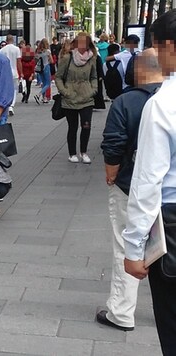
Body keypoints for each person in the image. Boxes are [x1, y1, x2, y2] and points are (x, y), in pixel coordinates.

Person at [122, 10, 176, 354]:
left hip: (171, 226)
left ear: (167, 46)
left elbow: (147, 183)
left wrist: (132, 249)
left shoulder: (163, 104)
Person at [98, 48, 163, 332]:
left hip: (129, 184)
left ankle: (122, 312)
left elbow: (113, 142)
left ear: (137, 71)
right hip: (168, 191)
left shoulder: (126, 102)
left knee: (126, 245)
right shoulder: (169, 101)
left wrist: (111, 171)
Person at [55, 32, 98, 164]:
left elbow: (94, 76)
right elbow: (58, 77)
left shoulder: (92, 59)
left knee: (86, 126)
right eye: (80, 42)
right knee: (72, 127)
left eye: (85, 43)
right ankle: (72, 153)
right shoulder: (68, 58)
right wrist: (65, 91)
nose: (82, 46)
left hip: (86, 98)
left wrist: (93, 90)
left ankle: (83, 152)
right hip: (70, 98)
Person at [0, 34, 22, 116]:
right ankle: (11, 106)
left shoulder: (2, 50)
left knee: (5, 89)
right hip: (14, 72)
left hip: (5, 73)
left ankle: (6, 104)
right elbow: (19, 62)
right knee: (14, 90)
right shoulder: (17, 49)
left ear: (6, 40)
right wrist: (21, 72)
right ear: (13, 40)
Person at [34, 38, 53, 104]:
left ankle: (44, 98)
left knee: (44, 83)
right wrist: (48, 61)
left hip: (40, 69)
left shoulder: (38, 52)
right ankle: (39, 94)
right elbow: (51, 60)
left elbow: (35, 60)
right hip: (46, 67)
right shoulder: (47, 51)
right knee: (48, 84)